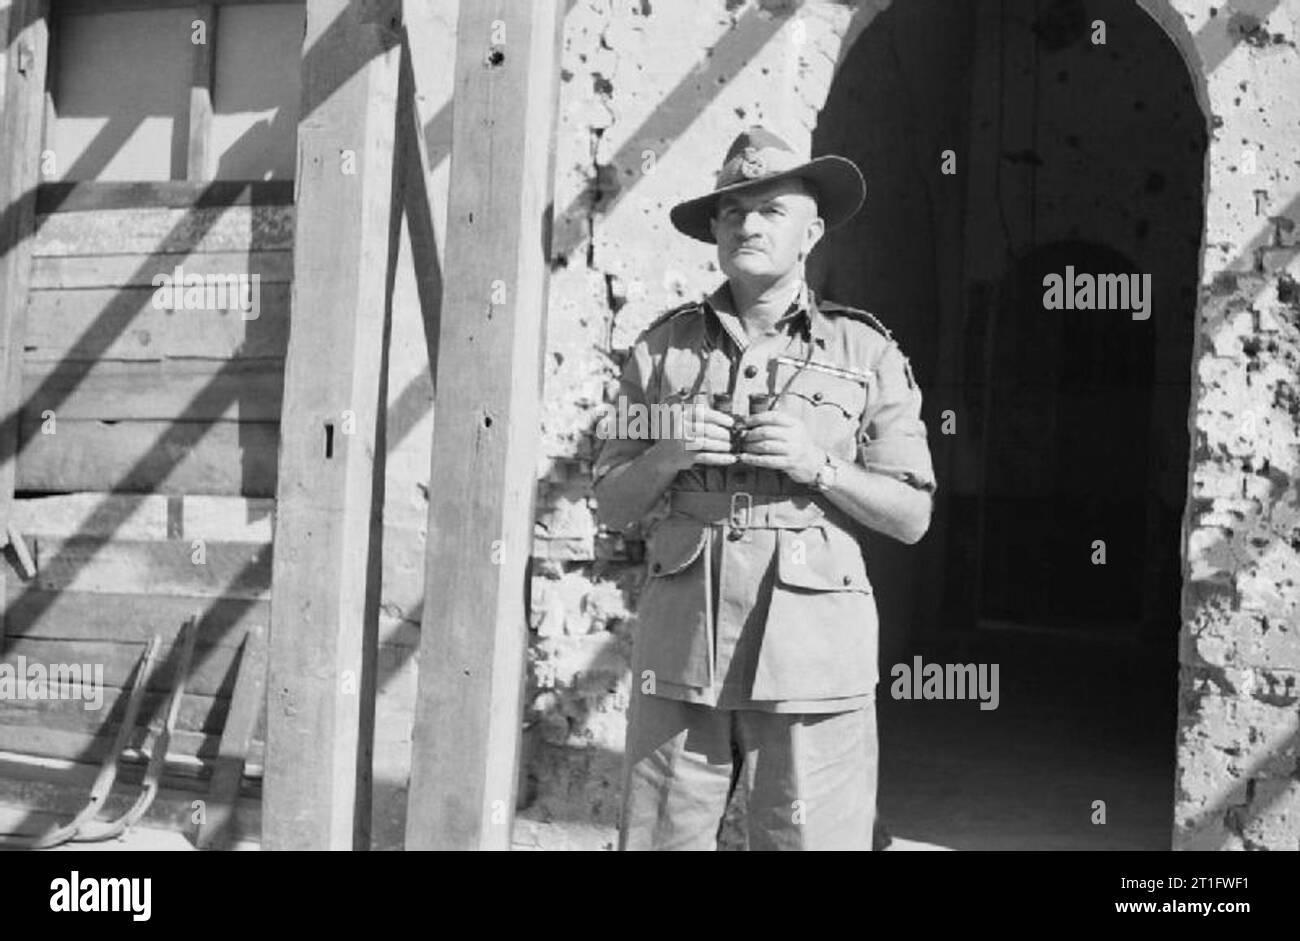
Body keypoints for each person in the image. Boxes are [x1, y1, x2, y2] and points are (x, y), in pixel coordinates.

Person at [593, 126, 936, 850]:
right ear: (714, 231)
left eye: (771, 210)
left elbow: (911, 516)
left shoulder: (864, 350)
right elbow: (613, 504)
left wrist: (820, 465)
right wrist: (667, 453)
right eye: (731, 212)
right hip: (682, 650)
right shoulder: (660, 351)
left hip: (813, 656)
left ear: (810, 233)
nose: (748, 225)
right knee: (660, 841)